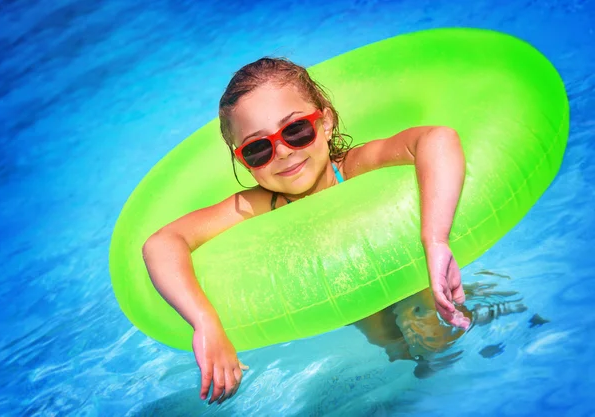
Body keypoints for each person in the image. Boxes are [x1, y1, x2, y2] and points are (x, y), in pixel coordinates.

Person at [142, 57, 470, 405]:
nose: (282, 152)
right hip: (352, 303)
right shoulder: (260, 204)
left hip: (408, 276)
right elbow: (162, 243)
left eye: (296, 130)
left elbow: (437, 139)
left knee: (438, 340)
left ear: (325, 123)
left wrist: (435, 240)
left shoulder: (355, 167)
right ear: (243, 161)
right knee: (399, 368)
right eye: (258, 148)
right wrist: (205, 323)